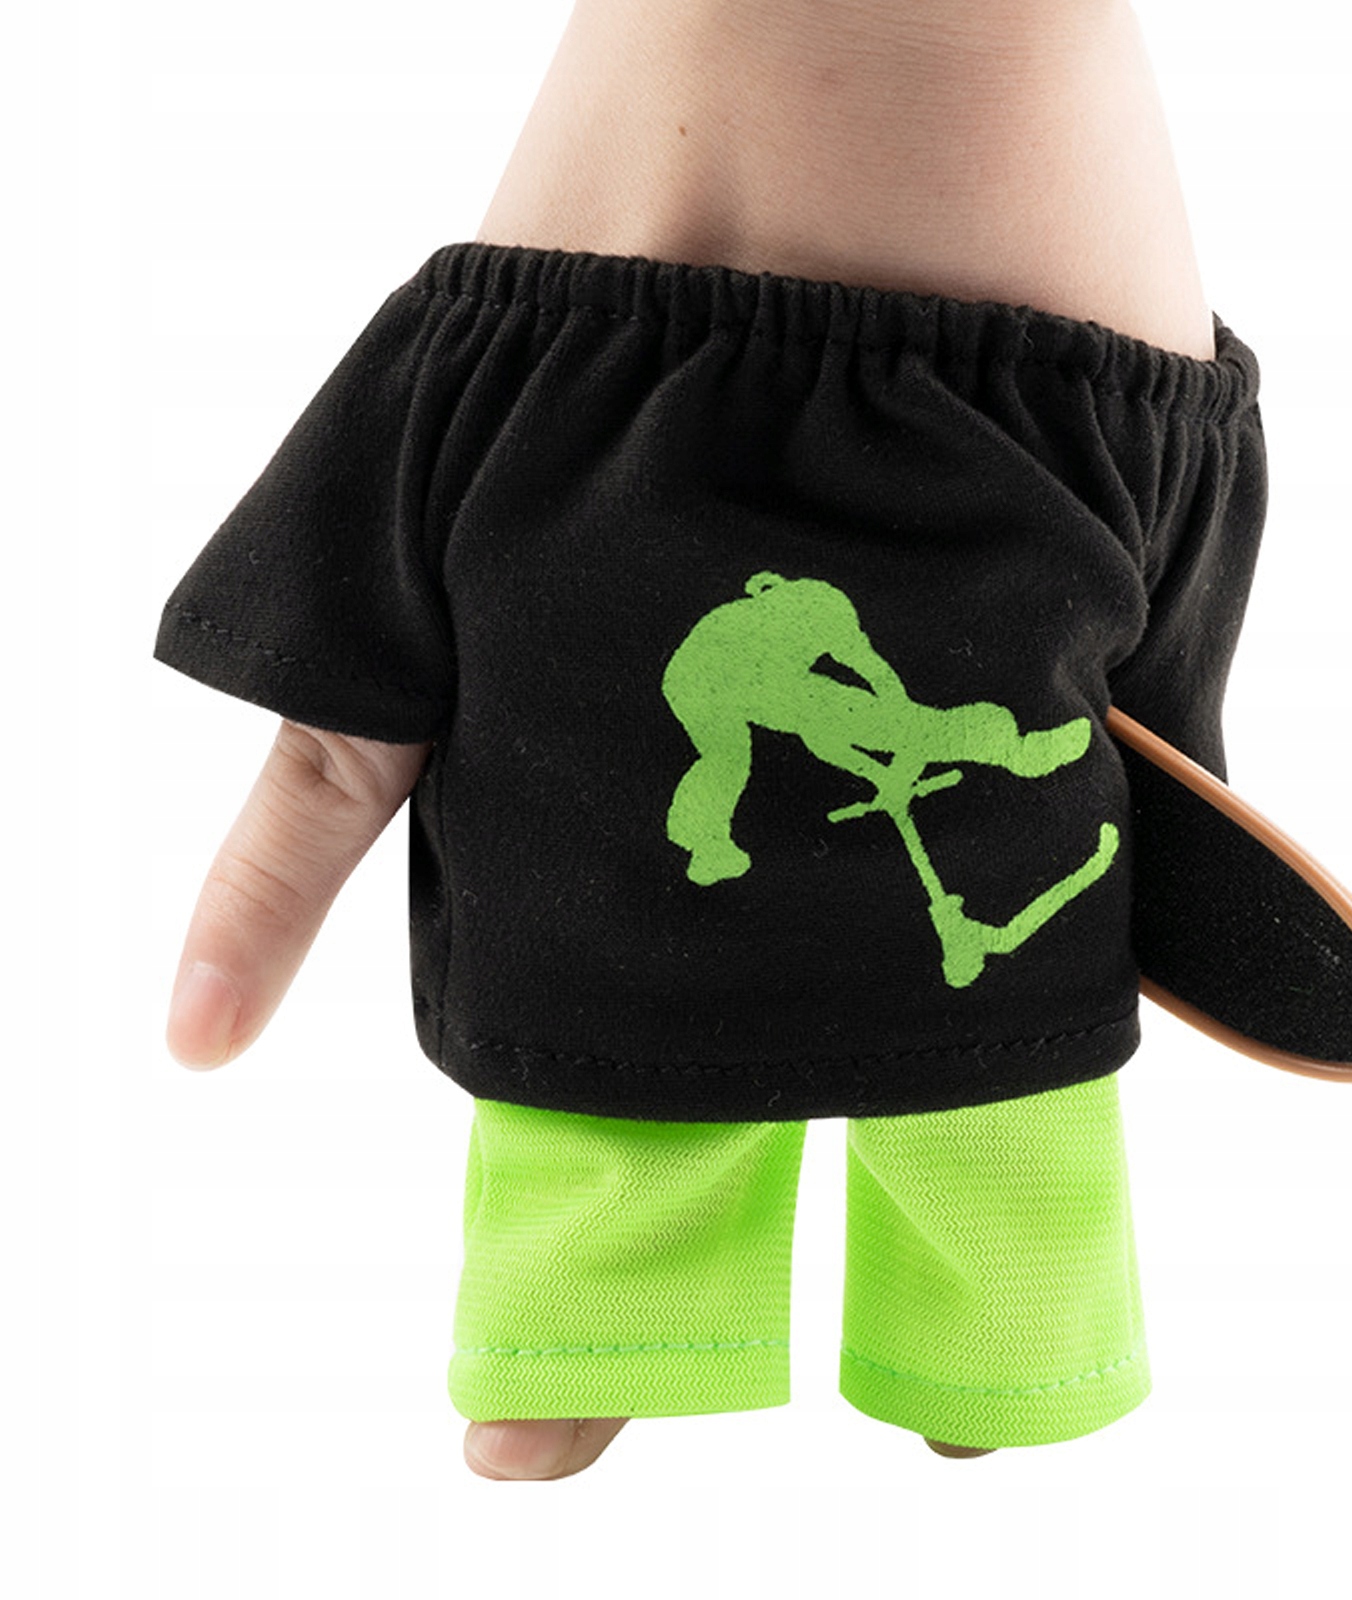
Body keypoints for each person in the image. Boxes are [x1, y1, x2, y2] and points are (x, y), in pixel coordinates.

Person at [160, 0, 1255, 1479]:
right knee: (659, 913)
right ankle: (904, 1308)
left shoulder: (809, 616)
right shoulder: (742, 640)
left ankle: (909, 1293)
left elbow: (861, 670)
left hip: (844, 405)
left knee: (727, 947)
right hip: (738, 438)